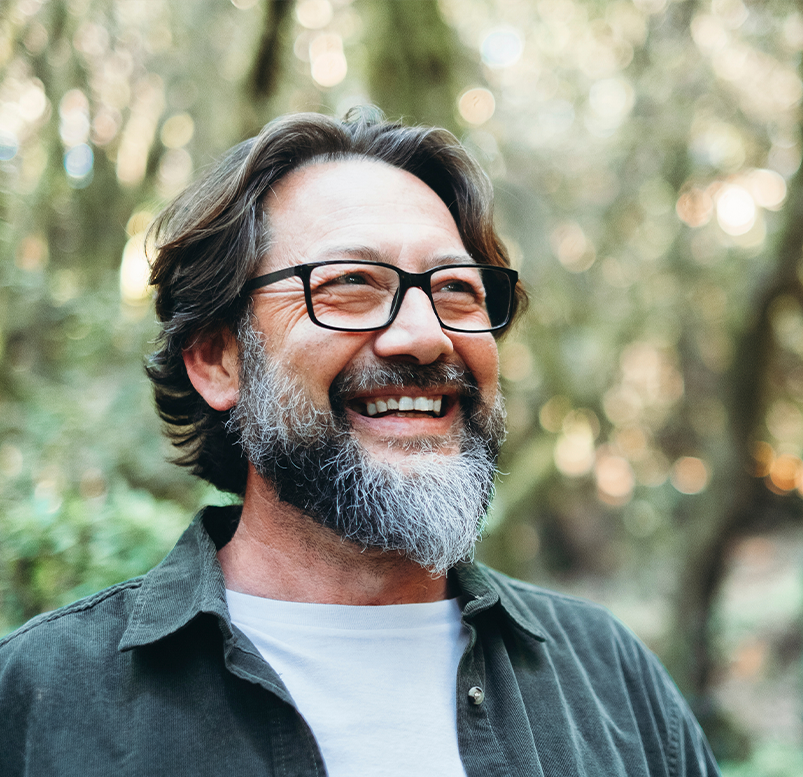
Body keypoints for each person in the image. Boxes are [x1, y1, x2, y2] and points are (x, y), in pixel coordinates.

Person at [0, 109, 720, 776]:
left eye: (457, 290)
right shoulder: (40, 698)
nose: (425, 334)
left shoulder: (610, 678)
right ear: (218, 358)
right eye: (350, 283)